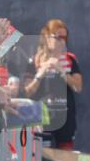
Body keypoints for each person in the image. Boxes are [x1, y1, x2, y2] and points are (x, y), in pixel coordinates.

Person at [25, 19, 82, 150]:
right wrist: (41, 73)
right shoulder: (34, 60)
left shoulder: (70, 59)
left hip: (65, 117)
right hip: (42, 116)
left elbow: (78, 87)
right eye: (58, 37)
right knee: (42, 158)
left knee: (65, 160)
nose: (62, 41)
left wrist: (62, 71)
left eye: (65, 38)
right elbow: (27, 92)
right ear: (46, 37)